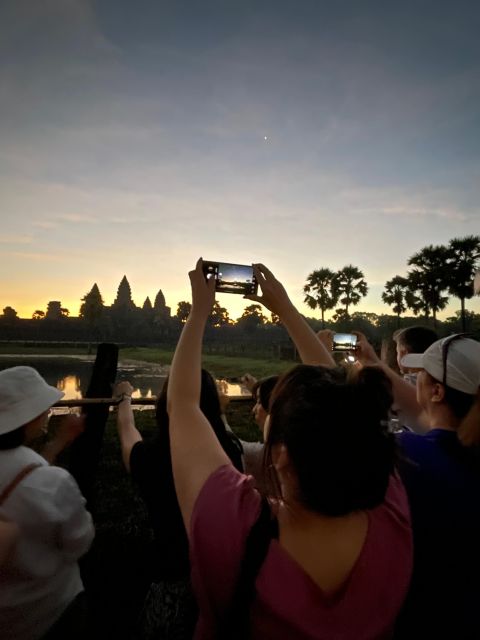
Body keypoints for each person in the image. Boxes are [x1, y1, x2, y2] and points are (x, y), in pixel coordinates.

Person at [166, 259, 412, 639]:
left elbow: (181, 403)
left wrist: (201, 310)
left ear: (279, 455)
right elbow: (344, 406)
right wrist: (285, 309)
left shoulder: (232, 527)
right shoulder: (391, 514)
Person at [355, 333, 480, 638]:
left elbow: (341, 419)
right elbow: (420, 412)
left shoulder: (409, 455)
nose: (413, 378)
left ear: (436, 391)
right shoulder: (463, 447)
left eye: (420, 373)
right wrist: (372, 361)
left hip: (424, 619)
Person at [114, 370, 244, 638]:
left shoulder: (151, 457)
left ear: (164, 405)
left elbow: (128, 433)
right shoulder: (230, 452)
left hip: (171, 584)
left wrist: (125, 398)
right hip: (224, 586)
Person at [0, 366, 94, 640]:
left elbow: (21, 475)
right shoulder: (53, 483)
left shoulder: (37, 478)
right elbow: (80, 541)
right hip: (51, 614)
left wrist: (59, 442)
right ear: (28, 419)